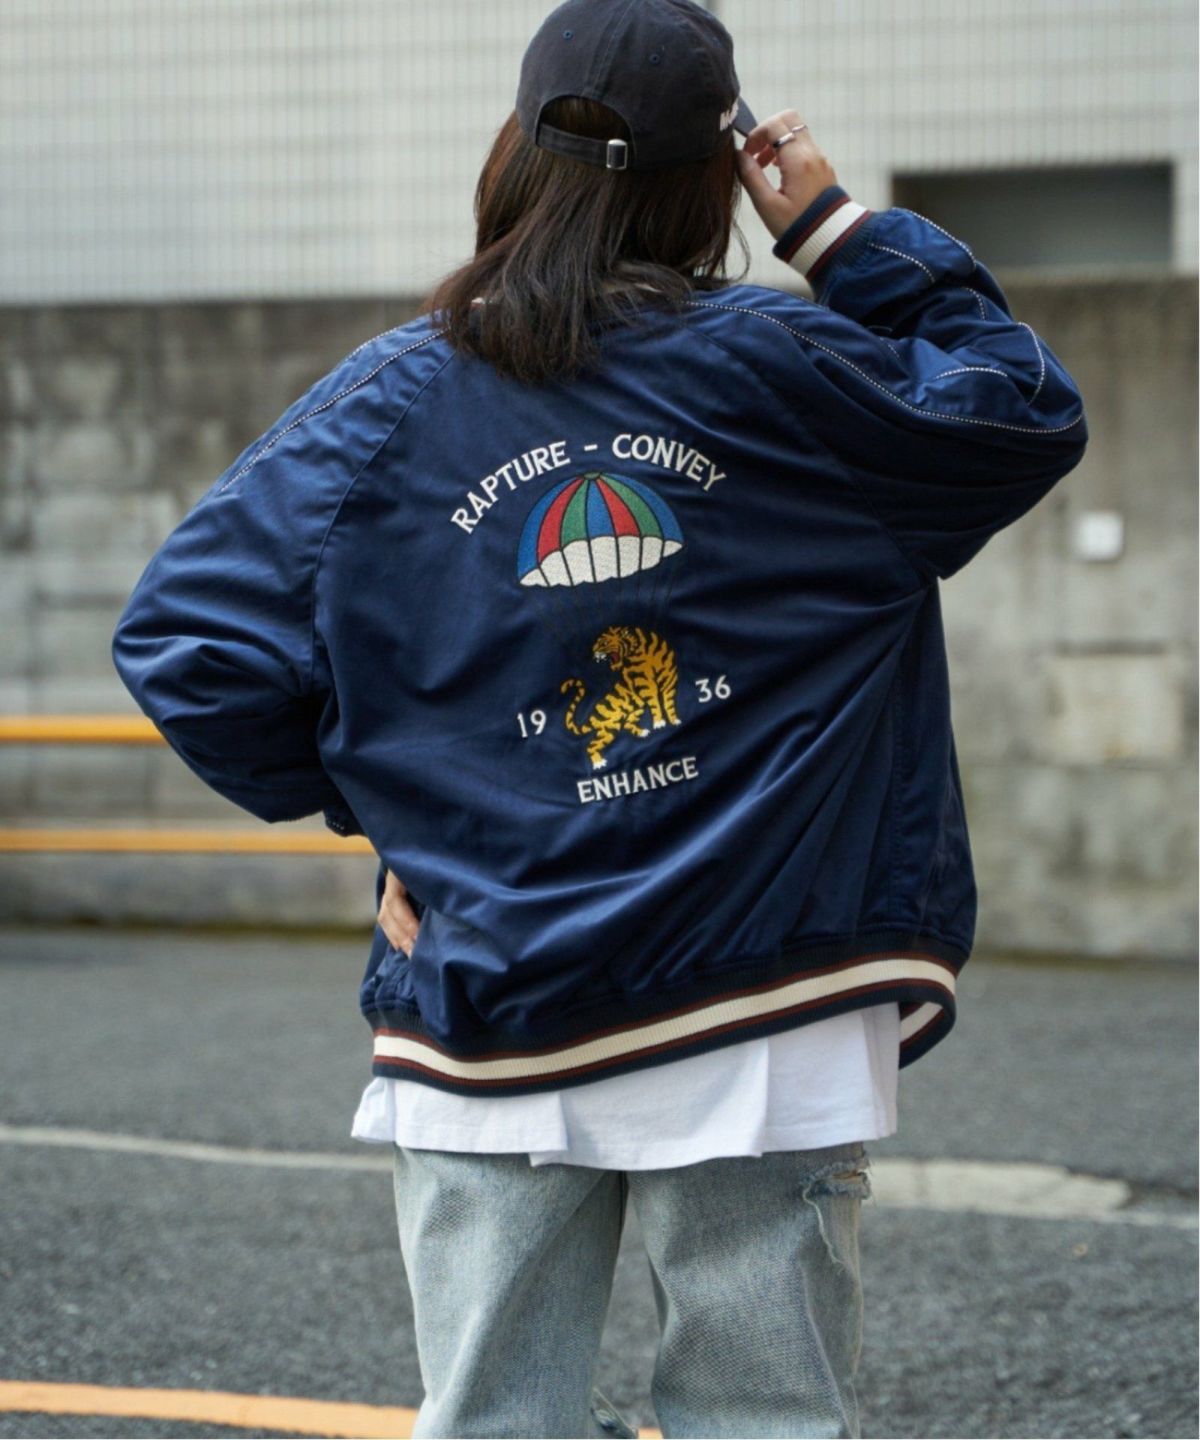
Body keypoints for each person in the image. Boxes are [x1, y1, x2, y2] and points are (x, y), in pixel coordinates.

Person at [110, 1, 1089, 1435]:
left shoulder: (385, 405)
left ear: (515, 151)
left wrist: (391, 819)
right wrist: (836, 233)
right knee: (765, 1421)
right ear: (713, 176)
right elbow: (1020, 407)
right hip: (769, 1001)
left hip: (494, 1000)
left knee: (496, 1421)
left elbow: (184, 645)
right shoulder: (795, 371)